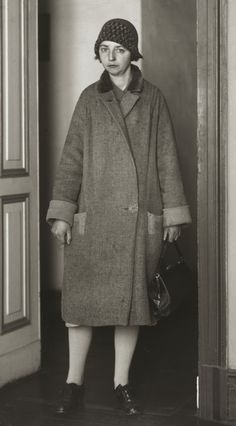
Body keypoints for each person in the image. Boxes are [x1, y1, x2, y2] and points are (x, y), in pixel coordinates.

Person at [46, 18, 191, 416]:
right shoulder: (89, 99)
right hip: (93, 221)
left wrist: (173, 213)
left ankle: (121, 383)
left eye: (120, 50)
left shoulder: (154, 98)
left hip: (136, 220)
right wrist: (62, 213)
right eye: (105, 49)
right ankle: (73, 384)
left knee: (131, 307)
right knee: (80, 307)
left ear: (133, 54)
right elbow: (71, 160)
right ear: (98, 52)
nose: (111, 58)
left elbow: (167, 159)